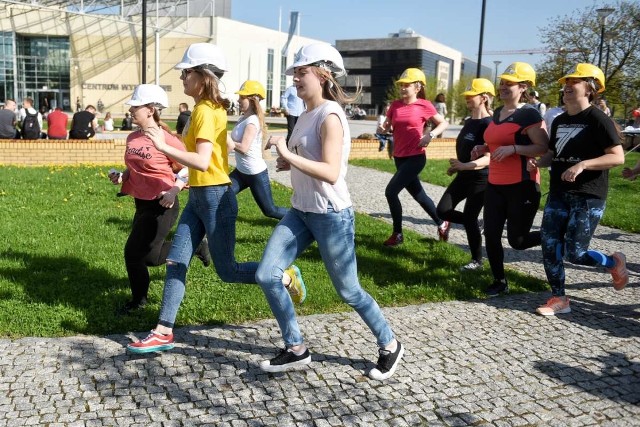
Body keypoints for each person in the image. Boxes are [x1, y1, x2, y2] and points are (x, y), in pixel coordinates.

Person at [126, 43, 302, 353]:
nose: (182, 79)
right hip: (199, 197)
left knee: (227, 271)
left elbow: (203, 160)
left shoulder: (207, 111)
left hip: (216, 198)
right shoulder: (203, 109)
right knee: (175, 261)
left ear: (202, 76)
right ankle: (163, 330)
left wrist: (163, 147)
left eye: (186, 73)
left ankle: (283, 277)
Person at [256, 42, 404, 381]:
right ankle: (296, 348)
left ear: (323, 74)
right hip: (300, 211)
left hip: (331, 215)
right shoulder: (307, 114)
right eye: (294, 72)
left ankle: (389, 344)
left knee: (348, 291)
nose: (295, 78)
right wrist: (287, 161)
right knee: (267, 274)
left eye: (301, 71)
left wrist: (286, 152)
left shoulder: (331, 115)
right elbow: (308, 161)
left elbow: (331, 172)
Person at [529, 63, 627, 316]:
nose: (568, 85)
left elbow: (617, 157)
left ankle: (613, 262)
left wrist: (583, 164)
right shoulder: (560, 119)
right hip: (559, 193)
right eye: (566, 81)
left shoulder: (597, 119)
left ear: (591, 88)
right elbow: (554, 152)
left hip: (588, 195)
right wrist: (541, 161)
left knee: (575, 252)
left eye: (576, 81)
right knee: (549, 245)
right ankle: (559, 298)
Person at [108, 84, 210, 314]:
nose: (131, 110)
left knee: (133, 253)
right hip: (141, 201)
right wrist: (122, 175)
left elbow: (189, 168)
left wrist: (174, 190)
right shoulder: (133, 137)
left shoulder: (167, 139)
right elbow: (135, 166)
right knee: (151, 258)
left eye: (136, 106)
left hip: (164, 203)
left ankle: (138, 302)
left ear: (150, 109)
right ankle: (195, 246)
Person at [470, 62, 549, 297]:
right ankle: (500, 281)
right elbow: (498, 141)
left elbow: (543, 148)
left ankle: (554, 235)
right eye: (502, 82)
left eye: (509, 84)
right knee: (491, 234)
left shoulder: (529, 114)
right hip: (495, 184)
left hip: (522, 185)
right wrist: (483, 146)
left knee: (518, 240)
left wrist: (514, 149)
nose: (503, 87)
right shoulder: (497, 112)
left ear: (523, 87)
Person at [377, 67, 450, 246]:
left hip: (416, 157)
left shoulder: (424, 105)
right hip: (399, 157)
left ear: (417, 87)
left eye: (406, 85)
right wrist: (382, 129)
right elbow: (387, 126)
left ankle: (397, 234)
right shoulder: (395, 105)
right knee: (419, 195)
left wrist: (430, 135)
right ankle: (443, 223)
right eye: (401, 85)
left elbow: (443, 123)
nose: (402, 88)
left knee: (391, 191)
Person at [436, 78, 494, 271]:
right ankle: (475, 223)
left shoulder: (489, 123)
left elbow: (489, 158)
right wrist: (458, 166)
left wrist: (464, 165)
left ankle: (477, 261)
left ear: (484, 98)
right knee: (442, 210)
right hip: (464, 174)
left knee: (469, 218)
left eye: (472, 95)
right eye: (467, 95)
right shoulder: (469, 122)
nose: (467, 98)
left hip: (481, 178)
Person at [227, 80, 288, 219]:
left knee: (270, 211)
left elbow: (243, 148)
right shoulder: (243, 118)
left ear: (252, 99)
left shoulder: (252, 121)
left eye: (242, 97)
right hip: (241, 172)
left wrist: (228, 141)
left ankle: (301, 218)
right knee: (222, 195)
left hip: (255, 174)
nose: (238, 100)